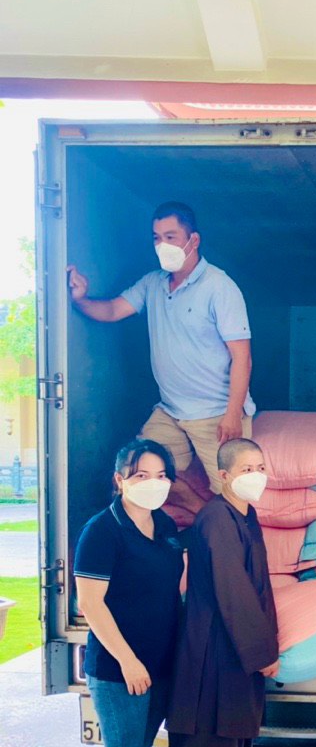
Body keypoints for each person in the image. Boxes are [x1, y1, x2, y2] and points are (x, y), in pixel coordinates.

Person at [67, 201, 254, 516]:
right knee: (137, 470)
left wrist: (233, 413)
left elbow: (242, 357)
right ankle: (201, 515)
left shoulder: (219, 287)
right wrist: (80, 299)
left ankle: (220, 531)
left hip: (216, 413)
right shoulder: (152, 283)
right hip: (171, 411)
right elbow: (111, 310)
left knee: (234, 499)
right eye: (156, 238)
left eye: (170, 237)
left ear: (193, 240)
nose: (162, 245)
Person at [159, 438, 279, 747]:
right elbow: (233, 590)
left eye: (260, 468)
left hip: (231, 650)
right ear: (224, 475)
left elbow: (257, 585)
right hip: (213, 650)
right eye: (246, 469)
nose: (256, 476)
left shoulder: (244, 514)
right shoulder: (216, 519)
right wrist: (262, 652)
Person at [74, 439, 184, 747]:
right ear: (120, 480)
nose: (154, 483)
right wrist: (128, 661)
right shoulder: (102, 531)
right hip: (119, 669)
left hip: (160, 665)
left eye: (161, 475)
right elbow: (90, 604)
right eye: (141, 475)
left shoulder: (164, 524)